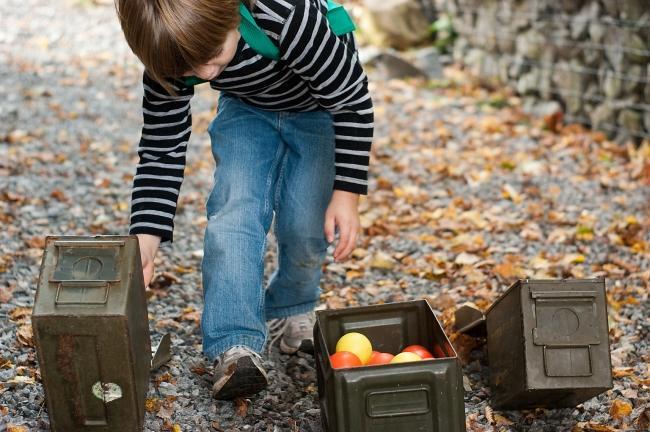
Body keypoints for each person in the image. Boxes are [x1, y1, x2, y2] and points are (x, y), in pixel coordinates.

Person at [114, 0, 373, 399]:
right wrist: (145, 234)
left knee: (306, 220)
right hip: (247, 109)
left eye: (213, 56)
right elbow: (161, 148)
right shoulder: (169, 52)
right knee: (234, 212)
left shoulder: (287, 18)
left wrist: (347, 192)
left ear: (232, 16)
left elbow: (351, 99)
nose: (204, 74)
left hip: (321, 109)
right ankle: (235, 344)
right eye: (190, 70)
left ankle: (291, 308)